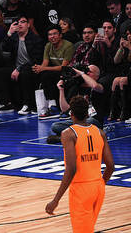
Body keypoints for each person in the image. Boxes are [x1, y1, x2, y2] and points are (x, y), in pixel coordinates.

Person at [45, 95, 114, 233]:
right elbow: (111, 166)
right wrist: (100, 183)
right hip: (98, 187)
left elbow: (71, 169)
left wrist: (56, 200)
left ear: (71, 114)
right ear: (87, 114)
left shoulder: (68, 134)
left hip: (81, 189)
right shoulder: (100, 132)